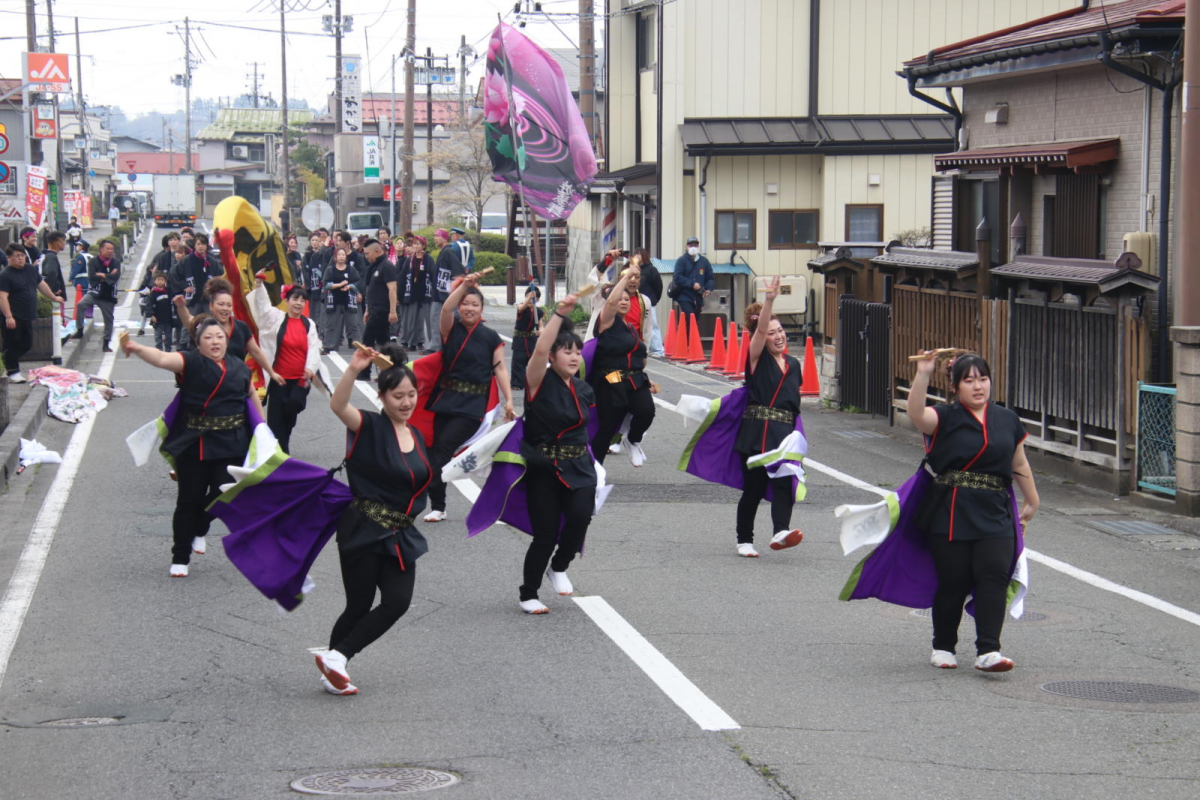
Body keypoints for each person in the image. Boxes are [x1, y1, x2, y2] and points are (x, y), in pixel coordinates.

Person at [907, 351, 1039, 672]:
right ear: (955, 387)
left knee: (994, 577)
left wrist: (1032, 501)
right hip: (951, 510)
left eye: (983, 379)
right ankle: (943, 646)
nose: (978, 386)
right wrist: (923, 374)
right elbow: (916, 414)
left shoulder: (1006, 419)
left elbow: (1018, 462)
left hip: (995, 510)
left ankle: (988, 651)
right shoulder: (945, 417)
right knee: (954, 580)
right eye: (969, 381)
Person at [315, 342, 432, 696]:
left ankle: (336, 658)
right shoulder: (368, 425)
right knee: (359, 604)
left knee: (397, 602)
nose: (406, 402)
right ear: (382, 397)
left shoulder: (417, 435)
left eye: (411, 394)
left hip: (400, 533)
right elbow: (338, 405)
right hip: (364, 529)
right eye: (398, 395)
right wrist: (352, 369)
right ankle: (334, 669)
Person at [121, 316, 264, 577]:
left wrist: (263, 429)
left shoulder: (239, 367)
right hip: (195, 442)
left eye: (219, 337)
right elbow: (163, 359)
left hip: (233, 442)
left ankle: (200, 527)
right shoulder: (191, 362)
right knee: (188, 501)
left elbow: (251, 394)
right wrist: (138, 348)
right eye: (208, 338)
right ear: (198, 344)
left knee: (226, 491)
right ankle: (180, 556)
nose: (215, 342)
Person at [516, 294, 596, 614]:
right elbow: (537, 348)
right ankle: (528, 593)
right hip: (544, 467)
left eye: (578, 351)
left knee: (580, 517)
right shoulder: (538, 381)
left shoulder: (583, 389)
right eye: (567, 351)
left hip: (579, 464)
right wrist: (560, 314)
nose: (575, 356)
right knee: (546, 533)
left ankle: (559, 566)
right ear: (552, 357)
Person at [422, 274, 515, 523]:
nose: (469, 308)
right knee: (435, 452)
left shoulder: (491, 338)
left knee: (440, 452)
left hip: (473, 406)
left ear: (482, 309)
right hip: (446, 399)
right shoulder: (450, 329)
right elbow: (445, 308)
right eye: (465, 304)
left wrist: (509, 401)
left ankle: (434, 504)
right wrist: (465, 285)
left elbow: (500, 370)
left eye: (475, 305)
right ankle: (438, 506)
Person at [733, 278, 804, 557]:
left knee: (785, 483)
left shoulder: (794, 364)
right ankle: (744, 540)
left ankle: (780, 532)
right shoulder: (756, 357)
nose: (778, 335)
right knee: (754, 487)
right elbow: (760, 330)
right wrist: (771, 301)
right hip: (757, 433)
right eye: (772, 331)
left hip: (783, 433)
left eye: (780, 330)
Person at [588, 267, 657, 468]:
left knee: (646, 411)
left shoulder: (630, 328)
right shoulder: (606, 322)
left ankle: (632, 440)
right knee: (608, 428)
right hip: (612, 379)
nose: (624, 302)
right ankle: (595, 470)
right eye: (620, 299)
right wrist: (626, 276)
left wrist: (645, 378)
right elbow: (610, 302)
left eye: (627, 299)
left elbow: (636, 358)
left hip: (633, 378)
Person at [247, 281, 322, 453]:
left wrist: (310, 368)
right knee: (275, 420)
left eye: (302, 300)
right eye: (295, 299)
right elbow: (263, 307)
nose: (298, 303)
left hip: (300, 380)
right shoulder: (277, 319)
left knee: (291, 412)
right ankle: (280, 454)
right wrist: (259, 286)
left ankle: (280, 448)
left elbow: (313, 348)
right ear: (286, 301)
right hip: (278, 379)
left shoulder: (309, 324)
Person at [174, 277, 277, 377]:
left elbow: (256, 352)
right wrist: (181, 306)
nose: (225, 308)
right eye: (221, 304)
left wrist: (271, 373)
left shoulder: (241, 327)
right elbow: (188, 319)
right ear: (211, 306)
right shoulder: (203, 324)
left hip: (235, 382)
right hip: (208, 380)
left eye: (229, 305)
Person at [0, 244, 66, 382]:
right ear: (8, 258)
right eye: (17, 256)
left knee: (27, 343)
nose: (20, 259)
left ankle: (7, 360)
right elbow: (2, 297)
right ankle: (13, 371)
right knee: (12, 343)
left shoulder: (30, 269)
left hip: (27, 314)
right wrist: (8, 316)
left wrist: (53, 297)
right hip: (13, 315)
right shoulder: (5, 275)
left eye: (22, 255)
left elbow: (41, 285)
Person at [360, 239, 399, 382]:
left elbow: (392, 289)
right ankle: (388, 372)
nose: (366, 256)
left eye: (367, 253)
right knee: (383, 344)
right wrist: (367, 310)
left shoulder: (386, 266)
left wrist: (393, 311)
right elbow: (371, 291)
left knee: (368, 342)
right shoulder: (374, 267)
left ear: (377, 251)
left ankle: (365, 372)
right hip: (373, 310)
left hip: (382, 311)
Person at [74, 239, 121, 352]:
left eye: (112, 249)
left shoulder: (115, 262)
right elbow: (92, 277)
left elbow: (115, 278)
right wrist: (107, 276)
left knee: (108, 319)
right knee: (80, 305)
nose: (110, 251)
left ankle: (106, 343)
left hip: (108, 294)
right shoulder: (93, 261)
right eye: (108, 249)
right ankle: (80, 330)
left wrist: (102, 275)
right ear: (101, 249)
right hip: (95, 291)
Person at [321, 244, 363, 354]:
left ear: (345, 257)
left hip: (348, 300)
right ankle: (327, 346)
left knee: (354, 325)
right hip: (333, 301)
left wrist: (350, 286)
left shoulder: (351, 269)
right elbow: (325, 284)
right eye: (339, 255)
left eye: (343, 255)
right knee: (330, 325)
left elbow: (357, 281)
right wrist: (339, 285)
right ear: (335, 257)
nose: (341, 257)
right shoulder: (330, 270)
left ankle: (358, 346)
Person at [429, 228, 464, 351]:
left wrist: (455, 289)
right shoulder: (444, 252)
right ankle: (437, 345)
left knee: (440, 319)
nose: (435, 239)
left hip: (445, 294)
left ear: (444, 238)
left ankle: (438, 346)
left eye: (437, 236)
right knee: (435, 319)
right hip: (440, 293)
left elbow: (458, 271)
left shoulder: (449, 252)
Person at [671, 236, 714, 328]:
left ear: (698, 246)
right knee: (690, 318)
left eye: (695, 245)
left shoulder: (704, 261)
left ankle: (691, 340)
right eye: (691, 245)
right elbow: (677, 277)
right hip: (684, 295)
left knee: (695, 320)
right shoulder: (681, 261)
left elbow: (710, 277)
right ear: (686, 247)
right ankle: (687, 340)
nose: (693, 247)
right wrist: (692, 284)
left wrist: (708, 288)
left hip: (698, 297)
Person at [402, 236, 434, 352]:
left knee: (428, 320)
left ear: (423, 246)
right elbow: (403, 276)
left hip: (425, 293)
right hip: (412, 293)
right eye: (414, 244)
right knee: (411, 320)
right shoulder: (409, 260)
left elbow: (433, 275)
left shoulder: (428, 259)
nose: (416, 246)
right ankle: (412, 343)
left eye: (419, 244)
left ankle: (431, 344)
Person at [509, 284, 541, 391]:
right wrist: (528, 298)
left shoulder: (538, 312)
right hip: (519, 339)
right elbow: (522, 307)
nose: (531, 300)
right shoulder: (521, 307)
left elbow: (541, 326)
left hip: (531, 339)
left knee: (533, 361)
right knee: (518, 361)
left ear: (538, 299)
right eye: (528, 297)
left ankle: (533, 382)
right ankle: (517, 383)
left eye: (534, 298)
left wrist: (540, 331)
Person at [634, 249, 665, 356]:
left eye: (638, 254)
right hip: (636, 301)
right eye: (635, 254)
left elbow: (658, 287)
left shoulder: (651, 270)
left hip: (648, 302)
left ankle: (657, 349)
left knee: (652, 325)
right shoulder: (633, 270)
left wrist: (654, 300)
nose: (637, 256)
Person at [302, 231, 327, 340]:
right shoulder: (307, 255)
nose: (315, 242)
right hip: (311, 287)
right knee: (312, 309)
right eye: (312, 240)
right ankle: (312, 329)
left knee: (321, 310)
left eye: (317, 240)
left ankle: (321, 330)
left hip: (322, 286)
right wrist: (308, 284)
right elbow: (305, 270)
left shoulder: (323, 254)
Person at [147, 271, 176, 352]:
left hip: (168, 318)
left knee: (169, 336)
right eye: (158, 280)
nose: (160, 281)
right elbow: (149, 305)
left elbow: (174, 302)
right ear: (154, 281)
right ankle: (158, 349)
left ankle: (168, 349)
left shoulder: (168, 291)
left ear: (165, 281)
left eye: (162, 280)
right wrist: (152, 315)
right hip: (158, 318)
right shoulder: (153, 293)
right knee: (158, 335)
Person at [40, 231, 68, 303]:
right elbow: (50, 273)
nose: (65, 243)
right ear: (57, 242)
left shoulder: (44, 254)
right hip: (54, 297)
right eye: (64, 241)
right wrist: (54, 289)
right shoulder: (51, 257)